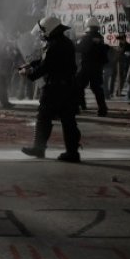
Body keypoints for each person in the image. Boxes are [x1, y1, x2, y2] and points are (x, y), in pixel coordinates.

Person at [19, 16, 81, 163]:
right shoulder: (65, 42)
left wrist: (28, 74)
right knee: (69, 121)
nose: (41, 34)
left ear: (49, 30)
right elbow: (44, 61)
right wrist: (31, 64)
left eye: (42, 31)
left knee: (43, 117)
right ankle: (72, 153)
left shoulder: (53, 45)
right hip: (69, 87)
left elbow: (45, 66)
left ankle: (39, 148)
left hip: (54, 88)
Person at [75, 17, 109, 116]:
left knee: (78, 86)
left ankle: (78, 106)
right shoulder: (101, 38)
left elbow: (78, 48)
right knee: (97, 88)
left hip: (86, 66)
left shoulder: (85, 37)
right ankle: (102, 109)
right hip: (97, 68)